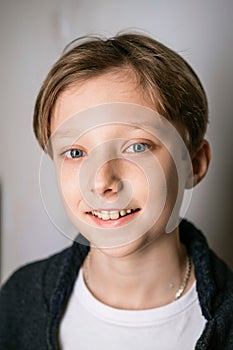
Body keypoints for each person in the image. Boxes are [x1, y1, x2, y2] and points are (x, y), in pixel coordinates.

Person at [0, 32, 232, 350]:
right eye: (76, 153)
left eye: (137, 146)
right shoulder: (17, 300)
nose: (100, 181)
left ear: (194, 163)